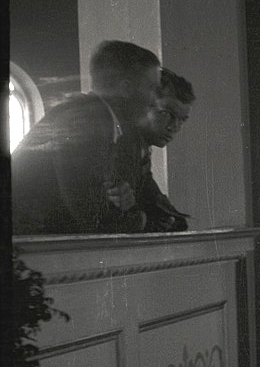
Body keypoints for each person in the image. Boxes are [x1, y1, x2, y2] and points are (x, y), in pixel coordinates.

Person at [13, 40, 162, 234]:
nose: (155, 100)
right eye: (151, 88)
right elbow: (93, 217)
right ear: (126, 89)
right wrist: (140, 220)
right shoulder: (87, 120)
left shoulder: (103, 121)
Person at [133, 67, 194, 231]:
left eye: (182, 119)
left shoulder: (142, 151)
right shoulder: (126, 144)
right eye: (167, 114)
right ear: (143, 106)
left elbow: (166, 211)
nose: (174, 127)